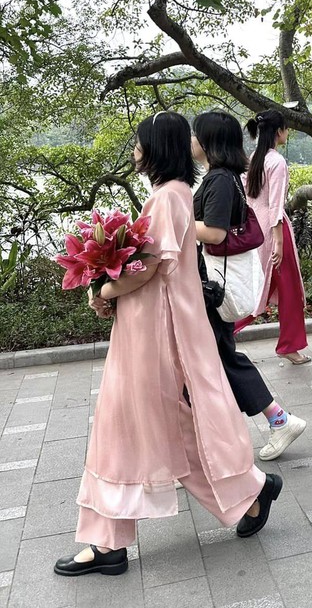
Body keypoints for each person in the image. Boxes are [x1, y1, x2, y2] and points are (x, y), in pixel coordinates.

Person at [55, 112, 281, 578]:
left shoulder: (165, 198)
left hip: (153, 335)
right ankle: (249, 494)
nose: (135, 150)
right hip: (158, 329)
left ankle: (107, 544)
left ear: (156, 147)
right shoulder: (176, 194)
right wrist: (110, 292)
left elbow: (149, 266)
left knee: (121, 428)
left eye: (139, 143)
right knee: (172, 430)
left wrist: (103, 289)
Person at [192, 110, 306, 462]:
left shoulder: (223, 179)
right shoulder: (222, 175)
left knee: (221, 356)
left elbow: (215, 232)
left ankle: (277, 420)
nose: (190, 142)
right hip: (214, 278)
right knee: (216, 357)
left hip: (214, 282)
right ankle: (267, 422)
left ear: (210, 141)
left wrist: (174, 219)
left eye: (195, 135)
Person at [244, 108, 310, 364]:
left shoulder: (254, 159)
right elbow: (275, 205)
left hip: (256, 226)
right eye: (286, 128)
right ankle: (289, 346)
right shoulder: (277, 162)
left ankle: (226, 330)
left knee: (256, 285)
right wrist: (280, 241)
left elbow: (251, 199)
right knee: (289, 289)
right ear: (279, 131)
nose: (287, 132)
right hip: (274, 229)